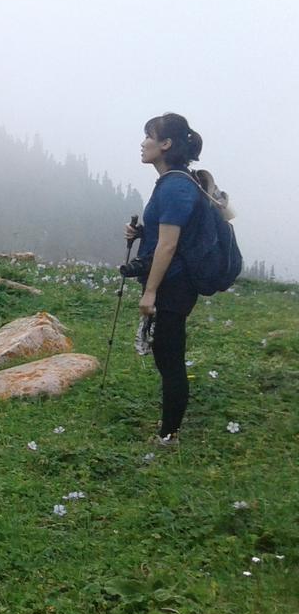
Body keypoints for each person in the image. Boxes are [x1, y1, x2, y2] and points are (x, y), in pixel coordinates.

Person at [123, 112, 204, 445]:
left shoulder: (175, 187)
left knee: (170, 358)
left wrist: (150, 292)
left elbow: (169, 245)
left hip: (173, 286)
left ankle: (169, 435)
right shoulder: (173, 182)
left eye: (149, 136)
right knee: (166, 354)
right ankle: (169, 429)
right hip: (172, 283)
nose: (143, 143)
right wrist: (142, 232)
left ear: (166, 144)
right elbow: (166, 235)